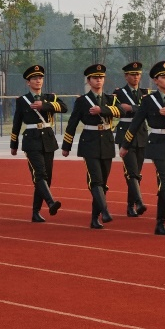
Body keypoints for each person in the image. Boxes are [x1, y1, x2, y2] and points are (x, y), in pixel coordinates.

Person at [119, 60, 165, 235]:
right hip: (157, 144)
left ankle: (160, 223)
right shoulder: (149, 100)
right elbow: (136, 123)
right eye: (163, 77)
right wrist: (125, 145)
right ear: (156, 80)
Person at [62, 63, 120, 229]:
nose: (98, 80)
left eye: (101, 77)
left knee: (103, 183)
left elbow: (122, 112)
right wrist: (66, 145)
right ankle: (105, 211)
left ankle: (95, 218)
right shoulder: (82, 101)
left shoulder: (111, 99)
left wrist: (102, 110)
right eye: (95, 78)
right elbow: (72, 123)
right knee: (96, 180)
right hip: (90, 143)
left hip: (106, 142)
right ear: (89, 80)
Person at [9, 64, 66, 222]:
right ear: (28, 82)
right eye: (34, 78)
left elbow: (64, 107)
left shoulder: (50, 97)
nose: (38, 80)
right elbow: (16, 123)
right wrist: (13, 144)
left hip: (48, 139)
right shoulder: (22, 100)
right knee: (40, 174)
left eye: (40, 78)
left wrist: (44, 105)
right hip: (31, 140)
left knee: (47, 178)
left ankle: (36, 212)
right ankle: (51, 202)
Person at [113, 61, 150, 217]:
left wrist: (132, 108)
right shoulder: (119, 93)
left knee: (137, 172)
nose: (136, 77)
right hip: (125, 132)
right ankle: (137, 203)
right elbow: (118, 110)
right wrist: (135, 109)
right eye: (133, 74)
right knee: (132, 171)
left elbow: (148, 110)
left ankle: (131, 205)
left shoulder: (145, 93)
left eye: (138, 74)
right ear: (126, 76)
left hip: (141, 134)